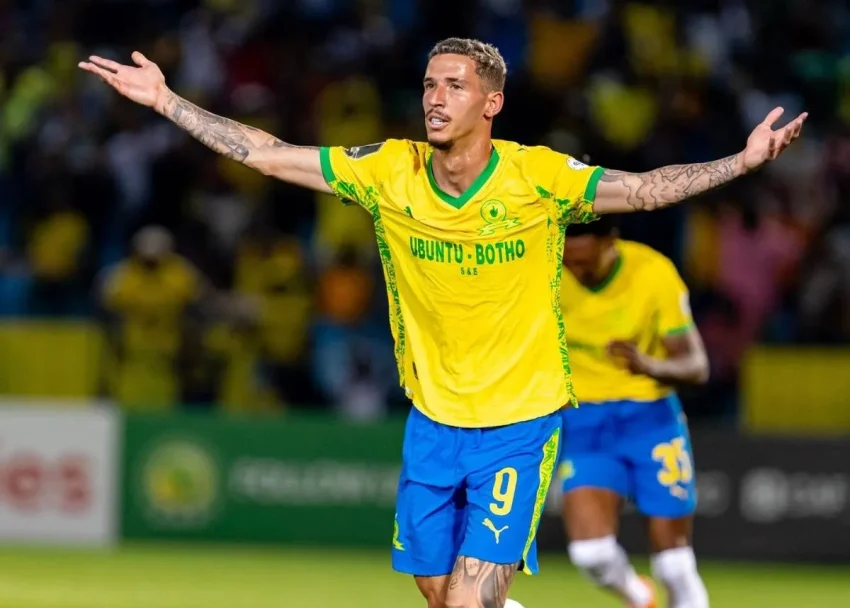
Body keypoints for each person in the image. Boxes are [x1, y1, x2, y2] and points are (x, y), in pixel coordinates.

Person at [79, 37, 805, 608]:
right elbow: (268, 156)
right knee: (438, 594)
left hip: (519, 419)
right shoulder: (387, 171)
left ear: (492, 102)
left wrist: (741, 163)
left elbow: (644, 190)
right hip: (433, 420)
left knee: (466, 601)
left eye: (455, 85)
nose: (435, 97)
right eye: (429, 84)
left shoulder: (537, 179)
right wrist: (167, 100)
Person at [559, 216, 710, 608]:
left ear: (610, 240)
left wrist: (649, 365)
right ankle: (639, 597)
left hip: (650, 418)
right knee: (591, 555)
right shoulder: (545, 271)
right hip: (584, 421)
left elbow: (697, 366)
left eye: (584, 262)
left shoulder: (652, 272)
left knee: (675, 565)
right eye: (568, 263)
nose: (576, 272)